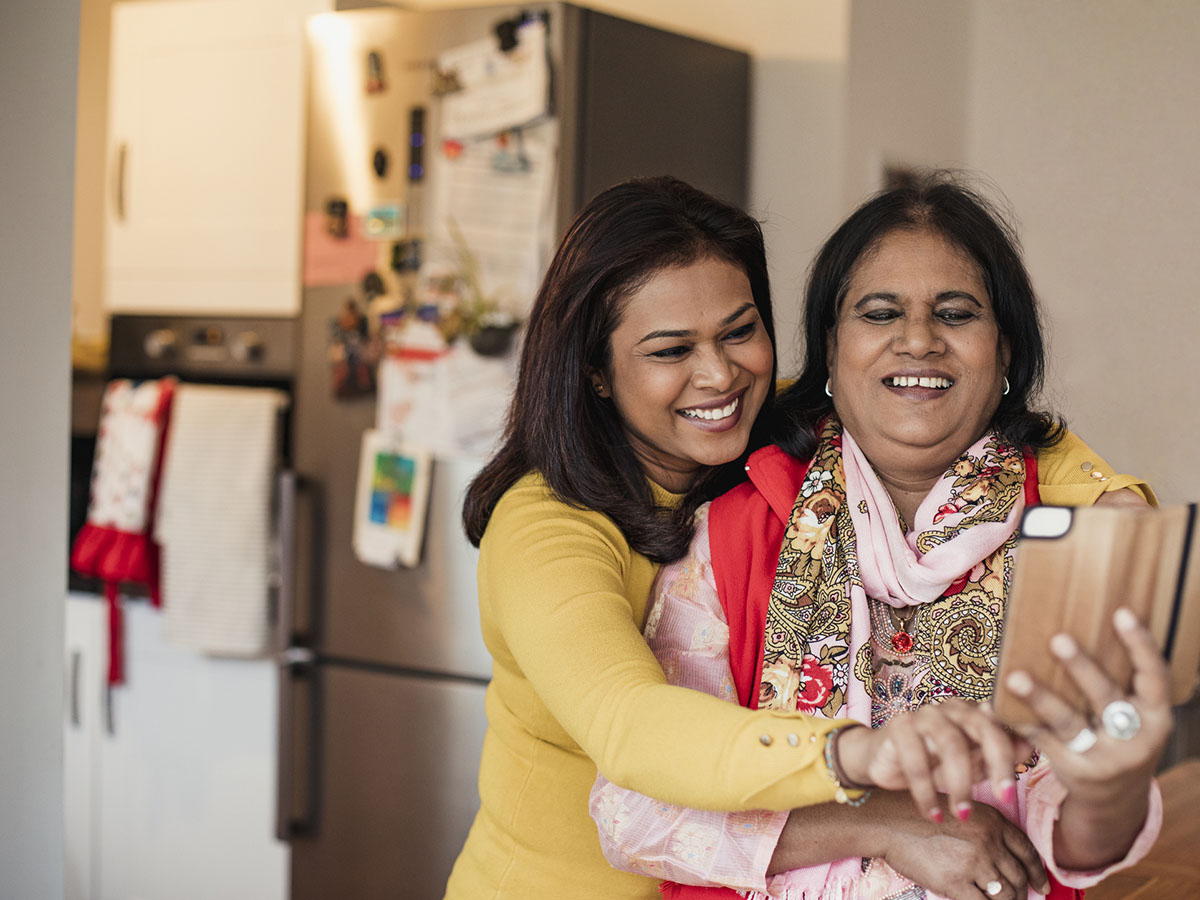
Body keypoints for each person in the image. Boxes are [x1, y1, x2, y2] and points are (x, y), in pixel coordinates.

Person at [444, 175, 1135, 900]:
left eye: (740, 331)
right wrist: (865, 767)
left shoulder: (758, 434)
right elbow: (632, 728)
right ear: (597, 374)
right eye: (670, 350)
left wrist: (1103, 490)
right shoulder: (548, 526)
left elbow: (929, 395)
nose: (719, 375)